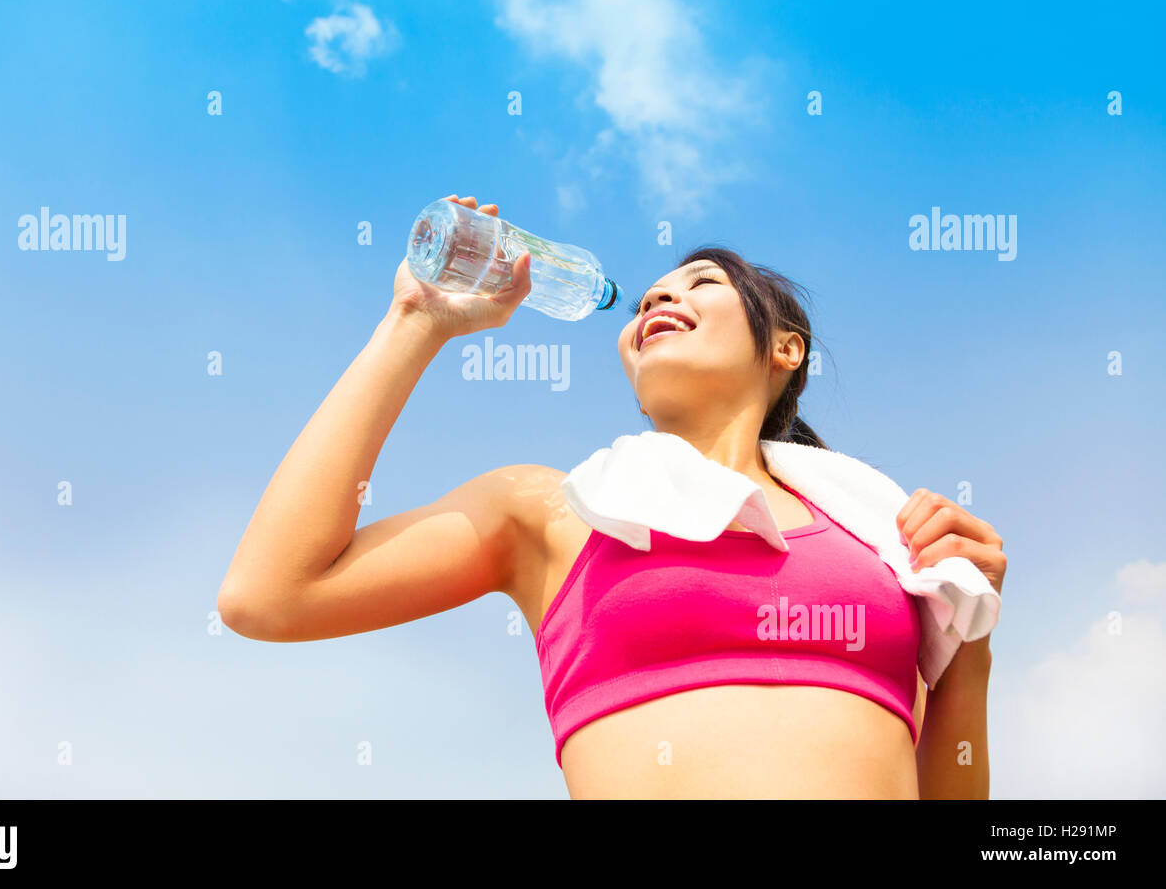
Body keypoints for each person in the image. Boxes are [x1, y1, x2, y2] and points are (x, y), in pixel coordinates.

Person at [217, 194, 1007, 799]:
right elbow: (271, 595)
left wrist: (969, 645)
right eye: (642, 305)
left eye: (700, 284)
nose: (658, 302)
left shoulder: (878, 539)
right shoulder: (558, 514)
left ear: (786, 350)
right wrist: (413, 321)